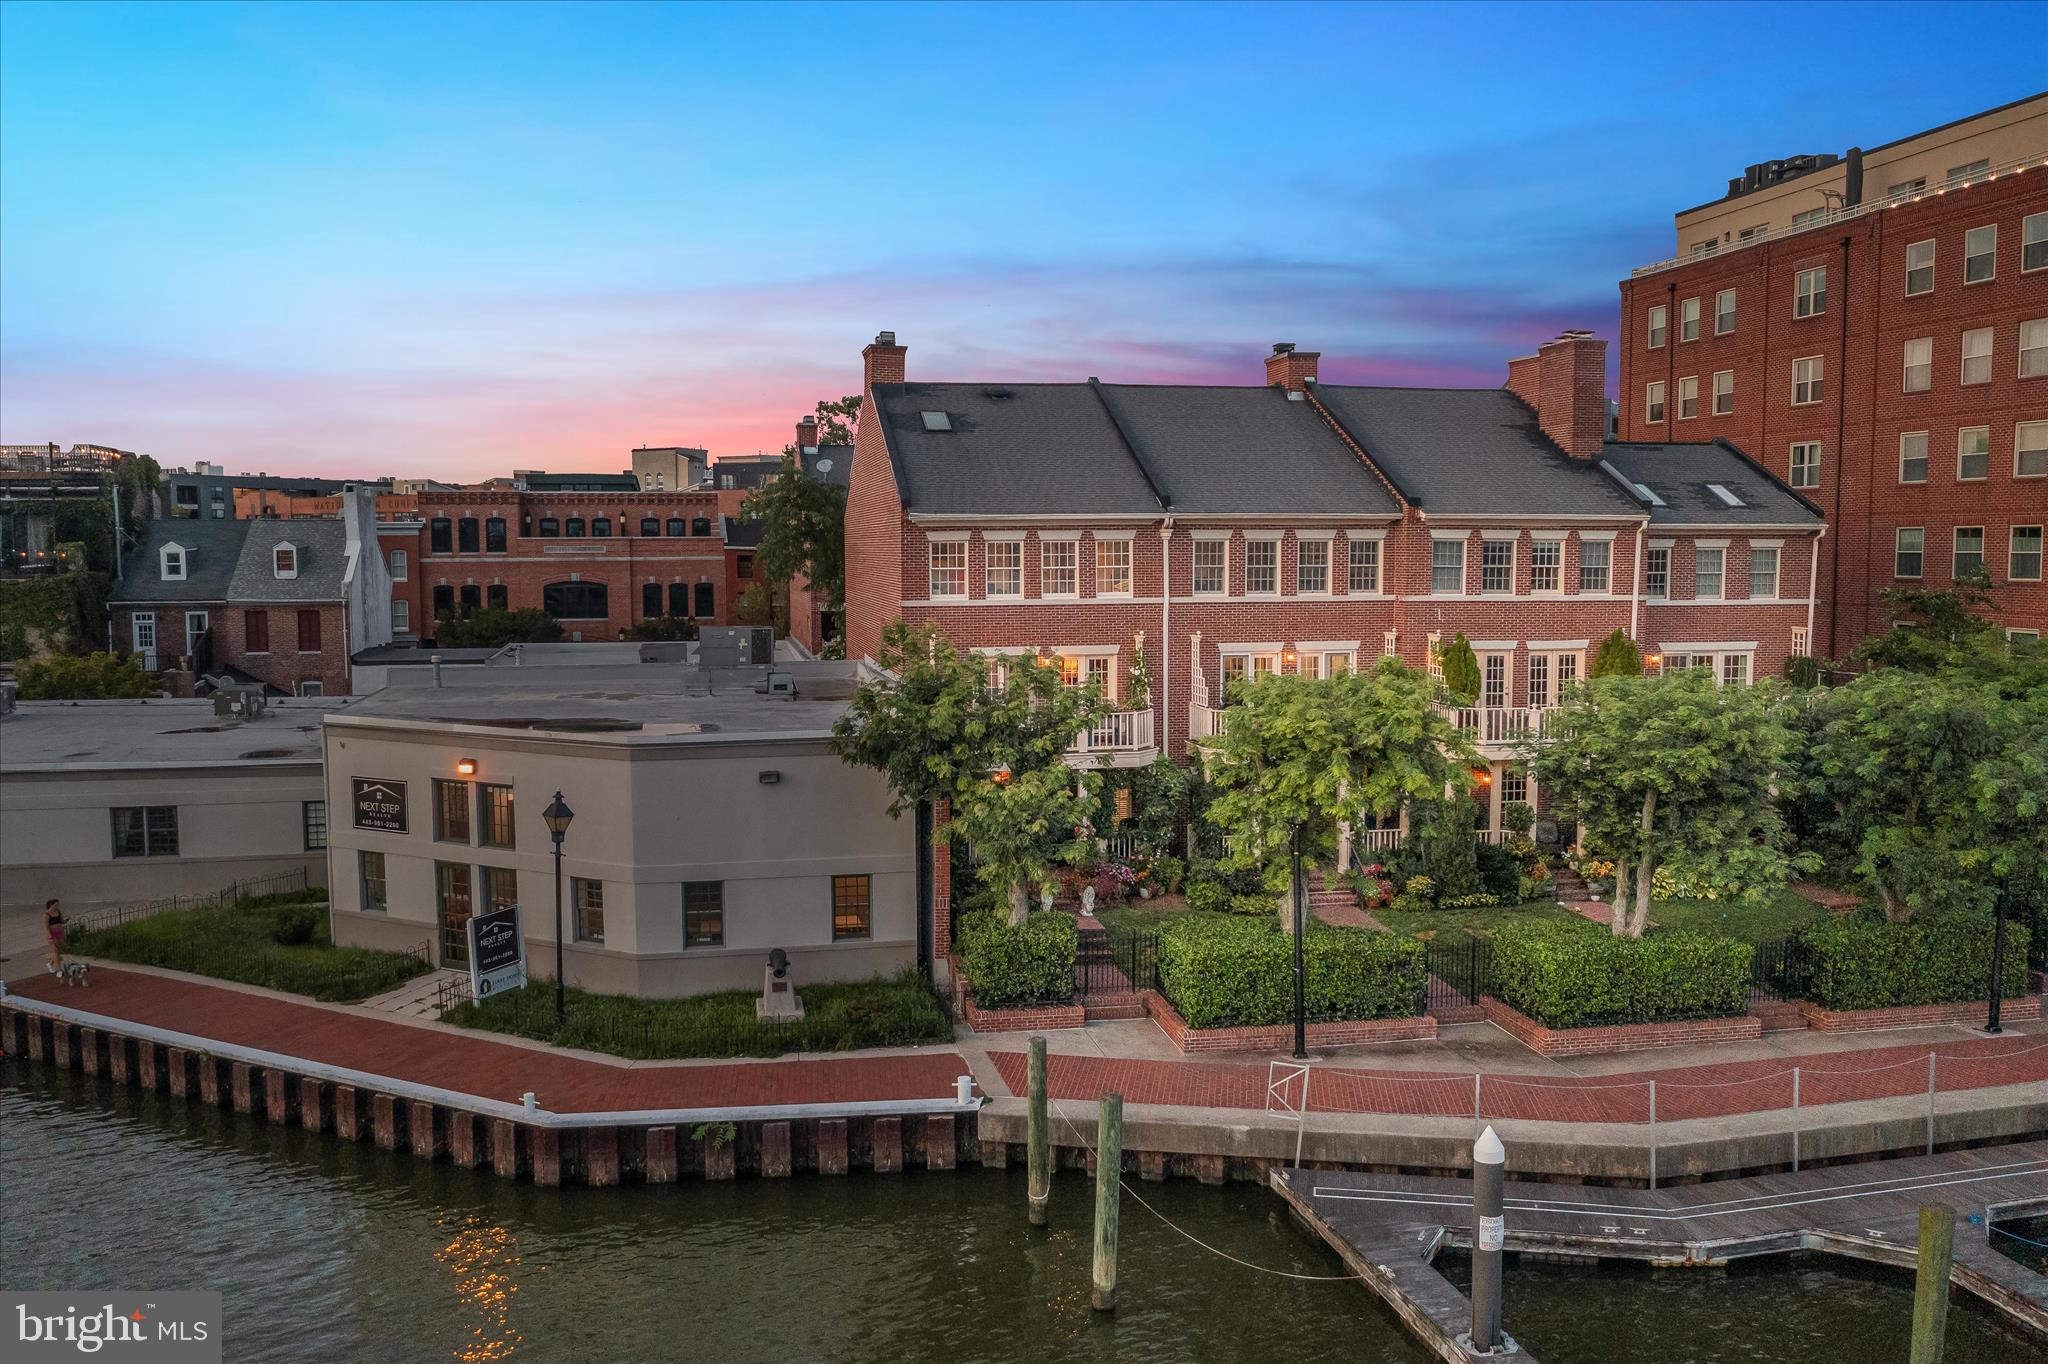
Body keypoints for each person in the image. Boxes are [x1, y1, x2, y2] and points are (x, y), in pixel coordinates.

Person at [44, 897, 65, 977]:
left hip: (60, 932)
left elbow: (62, 921)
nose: (57, 906)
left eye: (58, 905)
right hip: (52, 933)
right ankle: (59, 970)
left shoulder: (58, 911)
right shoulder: (46, 914)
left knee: (58, 951)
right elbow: (46, 927)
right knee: (55, 951)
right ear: (51, 905)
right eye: (55, 905)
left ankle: (50, 963)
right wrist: (50, 936)